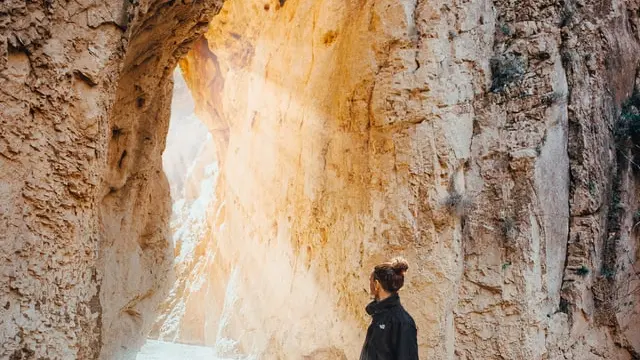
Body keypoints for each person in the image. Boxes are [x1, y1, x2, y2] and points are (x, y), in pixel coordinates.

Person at [360, 257, 419, 360]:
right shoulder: (379, 316)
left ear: (377, 284)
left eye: (370, 280)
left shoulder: (403, 322)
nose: (369, 285)